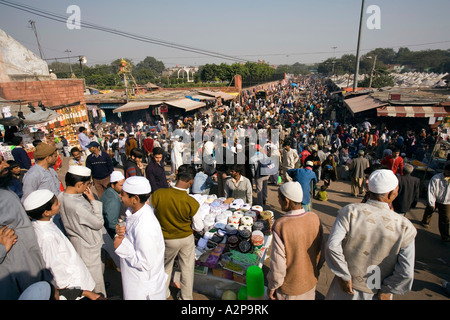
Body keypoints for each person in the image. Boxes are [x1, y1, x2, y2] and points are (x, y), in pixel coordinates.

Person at [325, 169, 417, 300]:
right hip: (377, 293)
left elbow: (332, 246)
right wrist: (387, 289)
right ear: (392, 193)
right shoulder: (405, 226)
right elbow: (406, 272)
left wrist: (344, 275)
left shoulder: (350, 211)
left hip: (344, 288)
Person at [0, 154, 53, 300]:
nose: (5, 166)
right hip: (14, 277)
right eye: (0, 163)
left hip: (29, 265)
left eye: (3, 160)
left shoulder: (4, 189)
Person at [24, 189, 96, 293]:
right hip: (74, 286)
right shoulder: (47, 236)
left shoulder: (44, 224)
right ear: (46, 212)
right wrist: (72, 292)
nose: (59, 204)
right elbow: (55, 267)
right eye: (56, 204)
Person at [267, 181, 324, 300]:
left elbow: (278, 265)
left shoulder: (281, 225)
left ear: (287, 201)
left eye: (279, 198)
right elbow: (322, 251)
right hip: (310, 282)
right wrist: (316, 270)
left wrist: (273, 286)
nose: (278, 201)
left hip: (290, 289)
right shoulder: (315, 218)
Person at [114, 176, 167, 300]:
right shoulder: (134, 212)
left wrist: (121, 246)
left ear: (135, 199)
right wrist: (122, 233)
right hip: (134, 281)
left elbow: (145, 262)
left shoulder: (145, 225)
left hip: (143, 288)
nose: (119, 196)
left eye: (123, 194)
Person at [151, 164, 200, 300]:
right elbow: (199, 226)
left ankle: (164, 293)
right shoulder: (191, 202)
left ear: (177, 176)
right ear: (191, 181)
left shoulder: (159, 194)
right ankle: (186, 297)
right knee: (187, 268)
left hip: (166, 239)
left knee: (166, 267)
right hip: (186, 238)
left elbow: (150, 215)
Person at [58, 165, 106, 295]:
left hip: (78, 242)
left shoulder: (61, 196)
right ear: (79, 184)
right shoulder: (77, 205)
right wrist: (93, 200)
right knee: (96, 283)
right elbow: (98, 223)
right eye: (87, 184)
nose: (88, 187)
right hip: (89, 245)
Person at [421, 162, 450, 242]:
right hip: (436, 199)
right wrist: (432, 202)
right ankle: (425, 221)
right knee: (429, 210)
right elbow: (431, 191)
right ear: (444, 170)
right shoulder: (436, 178)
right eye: (448, 172)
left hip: (447, 202)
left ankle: (445, 236)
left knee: (445, 218)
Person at [100, 171, 126, 238]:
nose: (123, 187)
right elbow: (111, 222)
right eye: (121, 185)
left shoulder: (110, 192)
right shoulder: (112, 199)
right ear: (112, 185)